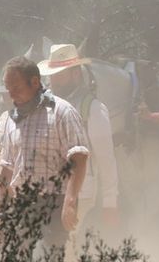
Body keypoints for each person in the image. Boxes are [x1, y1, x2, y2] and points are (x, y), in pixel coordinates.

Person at [0, 56, 90, 251]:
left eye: (17, 88)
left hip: (54, 204)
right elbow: (6, 167)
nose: (11, 94)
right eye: (8, 88)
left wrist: (70, 201)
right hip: (21, 204)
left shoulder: (62, 112)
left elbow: (78, 159)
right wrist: (0, 209)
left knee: (44, 261)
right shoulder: (11, 120)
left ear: (35, 82)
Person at [40, 44, 119, 233]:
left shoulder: (93, 108)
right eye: (52, 75)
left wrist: (110, 202)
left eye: (60, 75)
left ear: (75, 74)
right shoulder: (44, 107)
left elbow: (106, 158)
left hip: (80, 193)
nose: (54, 80)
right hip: (47, 190)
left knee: (62, 243)